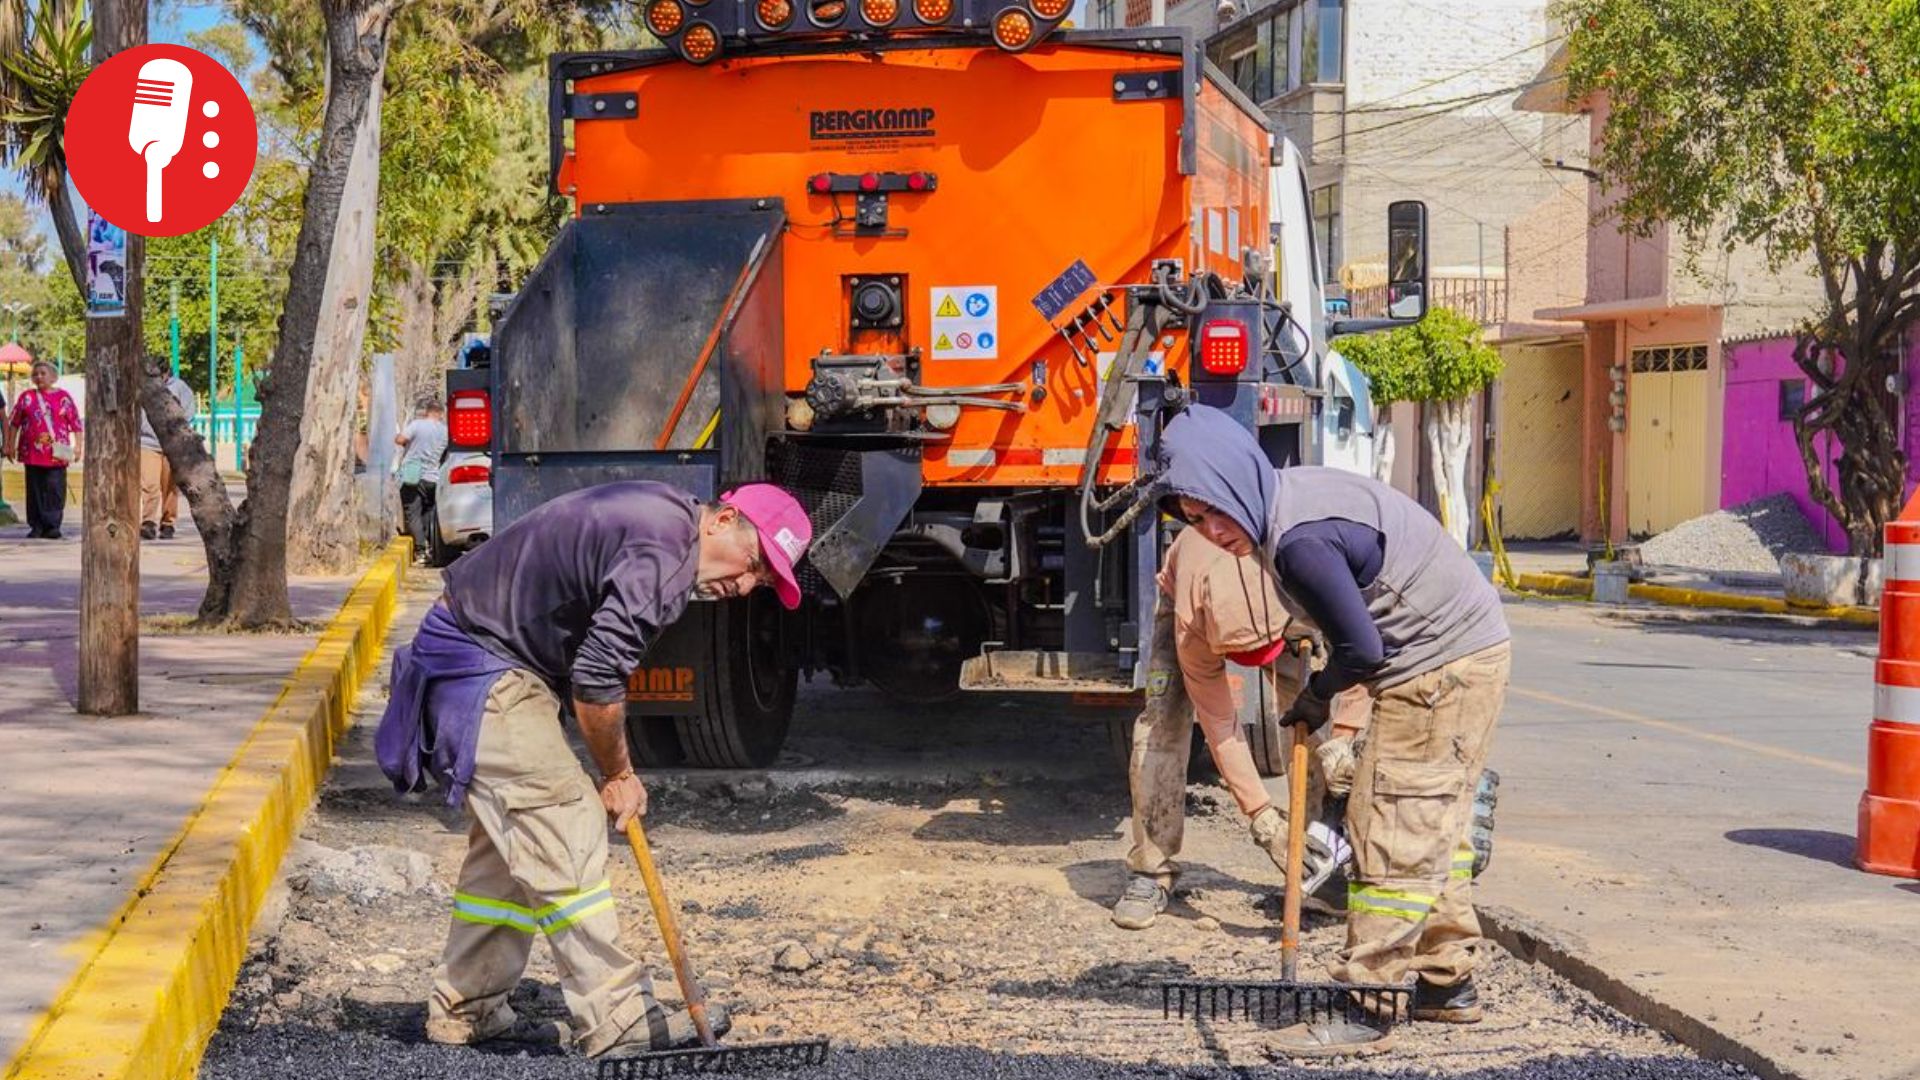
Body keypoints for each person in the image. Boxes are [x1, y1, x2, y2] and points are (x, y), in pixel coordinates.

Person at [374, 480, 813, 1059]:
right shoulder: (664, 551)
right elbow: (598, 679)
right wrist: (617, 774)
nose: (747, 584)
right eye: (755, 563)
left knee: (513, 846)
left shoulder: (666, 523)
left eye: (763, 581)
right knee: (567, 821)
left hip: (482, 653)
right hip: (476, 663)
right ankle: (618, 1019)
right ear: (724, 519)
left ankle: (468, 1008)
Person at [1154, 404, 1510, 1051]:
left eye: (1213, 511)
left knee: (1389, 827)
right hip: (1465, 652)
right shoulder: (1288, 503)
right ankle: (1445, 981)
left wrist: (1320, 701)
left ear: (1236, 481)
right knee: (1433, 827)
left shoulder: (1295, 543)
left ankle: (1366, 1004)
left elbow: (1363, 651)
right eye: (1195, 521)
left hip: (1437, 668)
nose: (1211, 530)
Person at [1113, 526, 1370, 930]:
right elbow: (1220, 726)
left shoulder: (1307, 570)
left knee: (1306, 717)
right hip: (1193, 598)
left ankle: (1319, 862)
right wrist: (1263, 819)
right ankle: (1150, 870)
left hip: (1283, 605)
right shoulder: (1191, 623)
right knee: (1162, 725)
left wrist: (1344, 736)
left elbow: (1362, 654)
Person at [4, 359, 83, 540]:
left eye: (43, 373)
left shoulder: (63, 397)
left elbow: (76, 424)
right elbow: (14, 422)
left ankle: (52, 525)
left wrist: (78, 446)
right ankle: (37, 525)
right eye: (35, 374)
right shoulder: (27, 397)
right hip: (31, 452)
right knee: (34, 490)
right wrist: (10, 444)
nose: (38, 377)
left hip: (56, 453)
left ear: (53, 377)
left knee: (55, 488)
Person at [139, 369, 198, 540]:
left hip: (171, 443)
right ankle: (148, 522)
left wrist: (176, 427)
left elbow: (189, 412)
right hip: (147, 443)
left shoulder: (179, 387)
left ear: (167, 373)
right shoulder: (144, 387)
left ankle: (168, 522)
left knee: (169, 485)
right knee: (150, 484)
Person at [396, 395, 449, 560]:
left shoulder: (417, 425)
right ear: (440, 413)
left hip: (412, 474)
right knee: (428, 512)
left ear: (426, 412)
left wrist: (409, 444)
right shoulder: (445, 431)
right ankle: (430, 546)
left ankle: (420, 550)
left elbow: (400, 439)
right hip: (433, 477)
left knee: (412, 513)